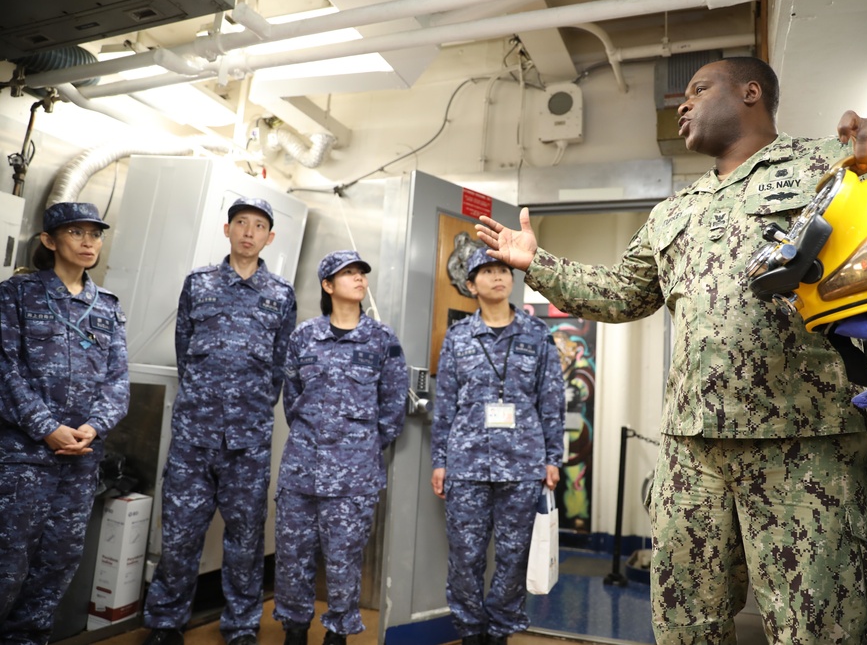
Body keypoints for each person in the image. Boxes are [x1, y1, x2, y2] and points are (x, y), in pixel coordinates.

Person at [476, 57, 867, 644]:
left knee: (815, 628)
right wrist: (536, 263)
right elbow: (622, 296)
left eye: (698, 89)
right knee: (684, 625)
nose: (683, 103)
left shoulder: (830, 163)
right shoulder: (674, 211)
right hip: (692, 449)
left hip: (804, 441)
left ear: (752, 93)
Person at [143, 197, 297, 645]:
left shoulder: (281, 294)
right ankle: (166, 623)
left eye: (259, 226)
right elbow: (184, 351)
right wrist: (206, 403)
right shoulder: (199, 284)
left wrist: (247, 408)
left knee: (246, 540)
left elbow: (279, 366)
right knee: (179, 536)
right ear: (226, 230)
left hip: (248, 441)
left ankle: (242, 626)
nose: (249, 232)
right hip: (194, 436)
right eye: (241, 223)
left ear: (270, 237)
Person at [0, 202, 130, 644]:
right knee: (8, 563)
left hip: (79, 463)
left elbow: (118, 382)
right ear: (50, 241)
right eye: (76, 233)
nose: (89, 242)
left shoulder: (107, 307)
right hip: (23, 459)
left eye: (95, 233)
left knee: (56, 566)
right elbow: (5, 371)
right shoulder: (16, 295)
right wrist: (45, 426)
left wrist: (93, 427)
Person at [431, 247, 565, 645]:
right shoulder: (457, 338)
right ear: (471, 285)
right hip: (466, 467)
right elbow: (445, 406)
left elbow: (552, 401)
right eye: (487, 271)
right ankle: (471, 632)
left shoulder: (537, 334)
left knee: (513, 557)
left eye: (503, 269)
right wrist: (440, 461)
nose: (498, 277)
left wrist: (553, 458)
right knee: (465, 558)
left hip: (523, 465)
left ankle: (501, 632)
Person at [272, 250, 407, 645]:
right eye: (347, 274)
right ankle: (294, 630)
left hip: (355, 475)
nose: (359, 279)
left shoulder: (382, 340)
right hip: (301, 470)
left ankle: (338, 634)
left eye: (361, 272)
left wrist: (360, 446)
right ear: (328, 286)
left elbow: (393, 405)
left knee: (344, 560)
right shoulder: (304, 336)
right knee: (293, 558)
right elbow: (291, 398)